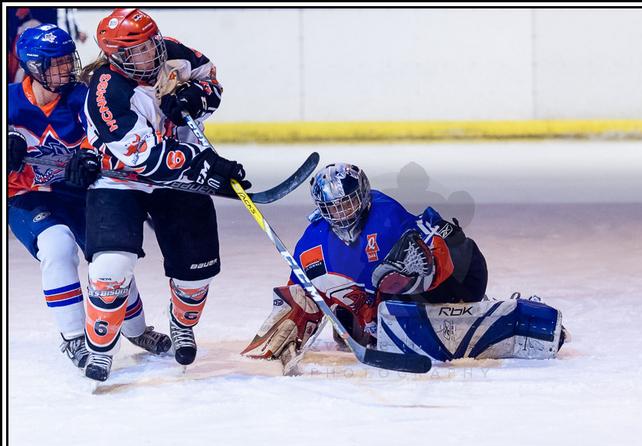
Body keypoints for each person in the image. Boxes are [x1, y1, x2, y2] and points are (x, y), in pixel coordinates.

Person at [78, 8, 249, 382]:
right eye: (135, 51)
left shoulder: (174, 52)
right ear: (115, 57)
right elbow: (149, 159)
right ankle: (100, 347)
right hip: (119, 178)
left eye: (150, 45)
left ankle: (182, 323)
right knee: (110, 268)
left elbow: (211, 82)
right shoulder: (106, 93)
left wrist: (195, 99)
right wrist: (205, 165)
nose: (149, 55)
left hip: (178, 180)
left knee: (196, 273)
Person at [7, 24, 170, 370]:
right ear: (33, 66)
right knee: (57, 247)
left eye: (69, 60)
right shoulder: (9, 101)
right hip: (28, 197)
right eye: (56, 63)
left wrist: (91, 156)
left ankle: (136, 330)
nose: (67, 68)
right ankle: (74, 338)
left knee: (109, 259)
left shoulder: (83, 97)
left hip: (79, 195)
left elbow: (106, 136)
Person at [242, 162, 489, 361]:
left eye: (347, 203)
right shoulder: (311, 244)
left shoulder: (385, 216)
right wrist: (293, 316)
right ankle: (377, 318)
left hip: (461, 274)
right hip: (375, 308)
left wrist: (411, 277)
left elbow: (435, 256)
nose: (342, 213)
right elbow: (302, 294)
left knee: (394, 281)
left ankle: (456, 304)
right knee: (350, 328)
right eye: (333, 208)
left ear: (362, 195)